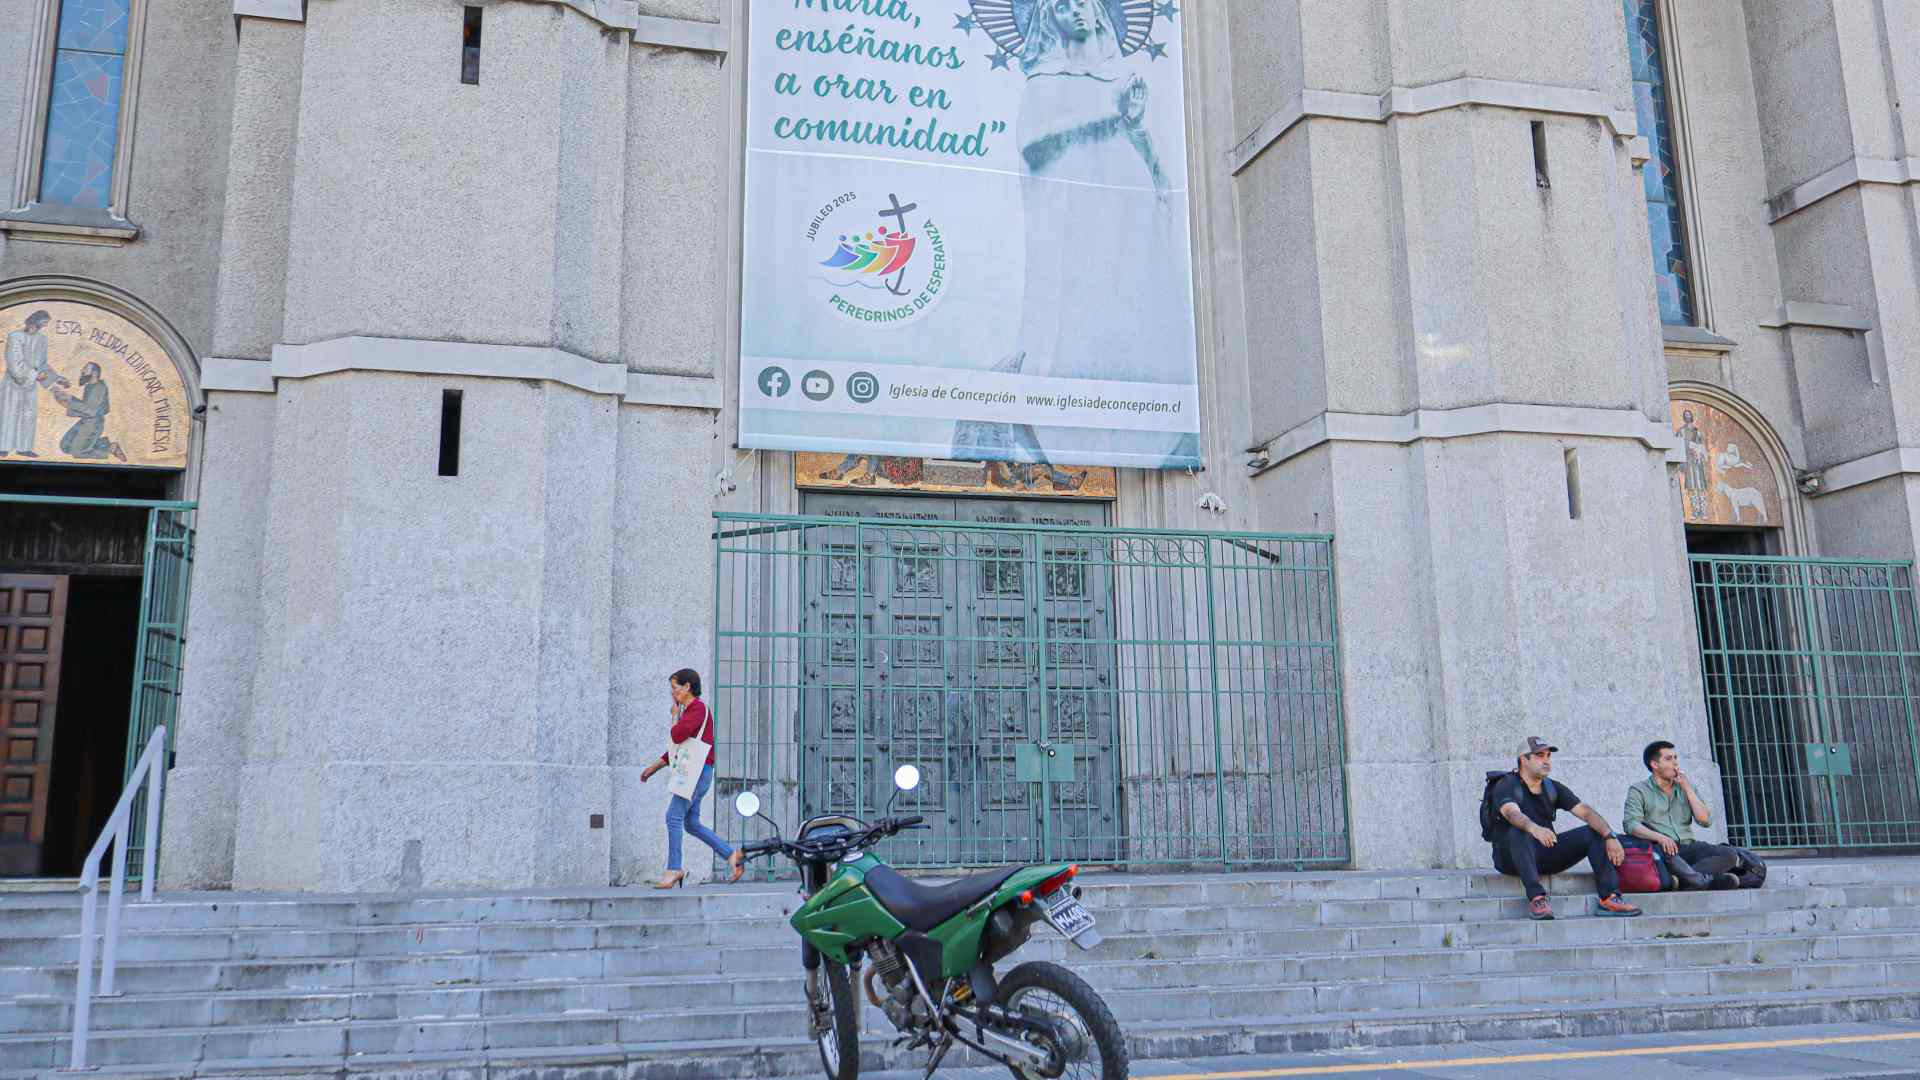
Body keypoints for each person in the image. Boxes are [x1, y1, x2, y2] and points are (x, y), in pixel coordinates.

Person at [1489, 737, 1643, 920]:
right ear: (1524, 759)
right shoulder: (1506, 784)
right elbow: (1511, 813)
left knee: (1595, 832)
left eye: (1548, 755)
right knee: (1519, 831)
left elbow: (1585, 812)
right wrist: (1534, 828)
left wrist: (1610, 836)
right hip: (1512, 858)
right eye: (1539, 756)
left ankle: (1610, 898)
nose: (1546, 760)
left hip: (1545, 854)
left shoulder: (1552, 787)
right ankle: (1537, 898)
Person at [639, 668, 742, 888]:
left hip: (696, 773)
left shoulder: (697, 709)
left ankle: (674, 868)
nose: (673, 694)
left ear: (687, 687)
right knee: (691, 823)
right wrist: (652, 768)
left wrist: (674, 715)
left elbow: (676, 735)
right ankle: (732, 855)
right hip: (698, 772)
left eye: (675, 689)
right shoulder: (692, 711)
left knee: (673, 817)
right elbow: (678, 750)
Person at [1624, 740, 1739, 890]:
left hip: (1688, 847)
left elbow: (1705, 821)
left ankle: (1684, 879)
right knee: (1666, 852)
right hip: (1662, 849)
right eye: (1669, 758)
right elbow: (1631, 825)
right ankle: (1704, 880)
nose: (1675, 763)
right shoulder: (1638, 790)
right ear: (1654, 764)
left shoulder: (1686, 787)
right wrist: (1660, 837)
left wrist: (1687, 789)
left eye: (1675, 758)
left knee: (1729, 854)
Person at [2, 310, 63, 456]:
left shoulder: (42, 339)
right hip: (13, 384)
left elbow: (42, 364)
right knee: (10, 414)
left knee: (28, 415)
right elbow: (14, 362)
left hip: (30, 384)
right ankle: (3, 447)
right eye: (43, 322)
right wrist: (34, 375)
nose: (44, 326)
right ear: (35, 320)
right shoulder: (15, 337)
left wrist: (56, 378)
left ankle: (24, 448)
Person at [48, 361, 127, 462]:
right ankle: (106, 444)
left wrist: (69, 402)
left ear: (94, 373)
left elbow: (91, 410)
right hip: (86, 421)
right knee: (65, 446)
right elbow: (86, 407)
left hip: (94, 424)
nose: (82, 371)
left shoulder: (99, 388)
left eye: (85, 369)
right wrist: (67, 400)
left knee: (76, 452)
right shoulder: (89, 386)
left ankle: (108, 450)